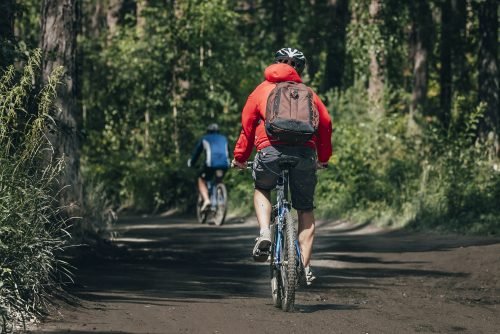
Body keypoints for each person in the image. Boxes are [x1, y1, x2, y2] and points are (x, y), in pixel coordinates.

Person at [232, 47, 332, 285]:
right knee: (305, 208)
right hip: (305, 153)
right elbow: (325, 124)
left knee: (262, 186)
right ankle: (305, 266)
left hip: (270, 151)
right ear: (300, 68)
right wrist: (323, 157)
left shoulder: (262, 90)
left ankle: (265, 232)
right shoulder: (308, 93)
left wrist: (240, 156)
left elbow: (247, 126)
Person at [188, 123, 230, 211]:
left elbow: (197, 153)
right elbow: (228, 152)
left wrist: (191, 162)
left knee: (201, 179)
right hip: (225, 164)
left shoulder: (205, 138)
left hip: (211, 165)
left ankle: (207, 200)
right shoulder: (224, 139)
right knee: (218, 180)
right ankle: (219, 199)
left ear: (208, 131)